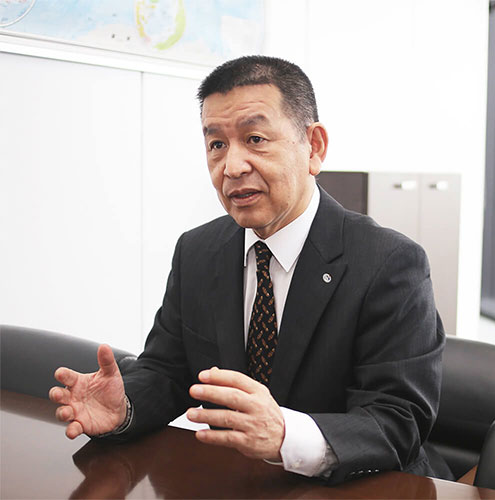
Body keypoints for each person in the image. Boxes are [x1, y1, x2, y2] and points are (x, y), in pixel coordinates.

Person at [49, 55, 447, 485]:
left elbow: (399, 420)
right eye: (217, 145)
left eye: (255, 139)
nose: (232, 167)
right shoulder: (197, 251)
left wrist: (286, 435)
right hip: (233, 483)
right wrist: (125, 407)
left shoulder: (389, 262)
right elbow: (167, 372)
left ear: (314, 147)